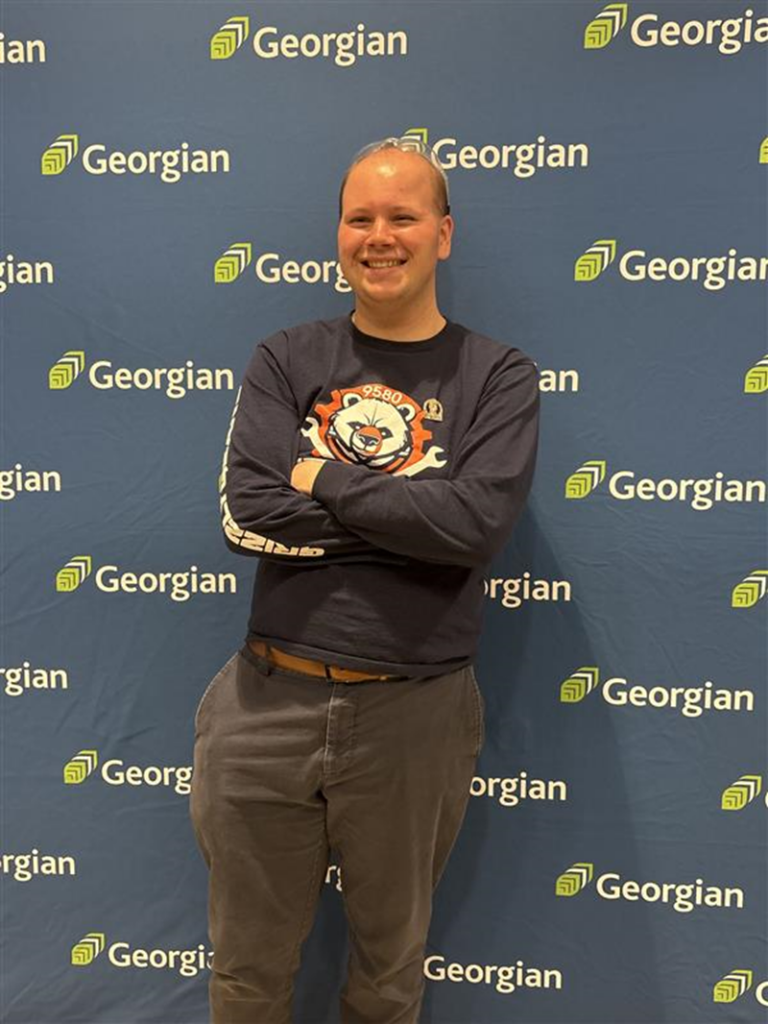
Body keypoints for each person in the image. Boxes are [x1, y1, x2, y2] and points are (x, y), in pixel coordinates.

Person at [190, 136, 540, 1024]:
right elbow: (248, 516)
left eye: (403, 216)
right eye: (360, 218)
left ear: (443, 234)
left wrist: (325, 477)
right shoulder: (286, 358)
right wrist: (410, 516)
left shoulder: (497, 375)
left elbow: (475, 529)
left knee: (389, 979)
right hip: (266, 704)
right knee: (246, 972)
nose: (379, 236)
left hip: (413, 717)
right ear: (339, 235)